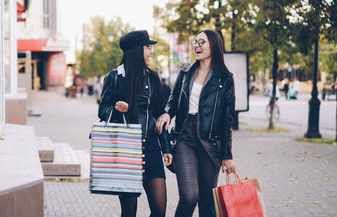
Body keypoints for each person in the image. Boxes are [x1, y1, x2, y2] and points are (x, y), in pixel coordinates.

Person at [155, 29, 236, 217]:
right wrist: (167, 114)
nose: (197, 46)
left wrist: (227, 155)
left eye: (202, 42)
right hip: (185, 138)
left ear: (214, 46)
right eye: (196, 42)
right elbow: (173, 101)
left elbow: (226, 120)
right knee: (189, 197)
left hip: (210, 142)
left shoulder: (225, 79)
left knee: (207, 202)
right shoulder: (185, 73)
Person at [98, 30, 173, 217]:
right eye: (148, 47)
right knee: (129, 212)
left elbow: (160, 115)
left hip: (151, 149)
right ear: (136, 50)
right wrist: (115, 109)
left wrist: (166, 148)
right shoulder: (114, 77)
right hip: (126, 151)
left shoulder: (154, 78)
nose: (151, 52)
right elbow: (102, 110)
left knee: (159, 211)